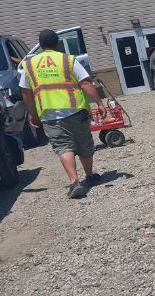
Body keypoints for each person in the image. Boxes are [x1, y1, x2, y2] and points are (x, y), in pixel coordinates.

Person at [20, 29, 107, 198]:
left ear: (41, 46)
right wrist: (99, 102)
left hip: (49, 114)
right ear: (58, 43)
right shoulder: (67, 60)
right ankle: (89, 176)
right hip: (76, 110)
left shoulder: (29, 65)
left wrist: (32, 114)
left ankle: (74, 181)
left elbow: (26, 93)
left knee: (63, 146)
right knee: (84, 144)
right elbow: (86, 83)